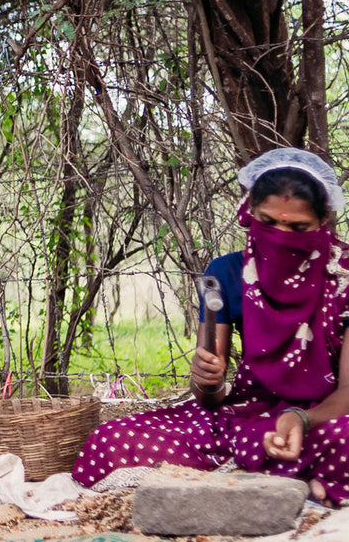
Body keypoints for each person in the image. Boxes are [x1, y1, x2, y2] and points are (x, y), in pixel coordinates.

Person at [73, 148, 349, 507]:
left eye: (298, 228)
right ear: (249, 214)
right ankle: (296, 482)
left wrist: (300, 418)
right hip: (247, 416)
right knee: (112, 438)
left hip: (326, 415)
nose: (281, 236)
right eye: (268, 223)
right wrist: (208, 380)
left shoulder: (342, 277)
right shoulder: (226, 274)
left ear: (323, 220)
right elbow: (211, 397)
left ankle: (261, 480)